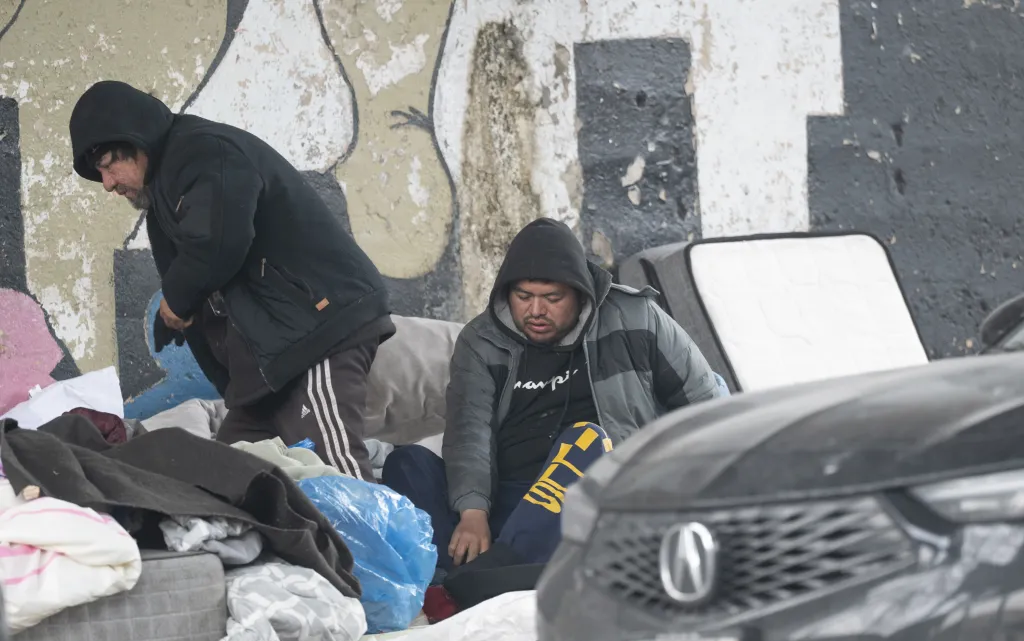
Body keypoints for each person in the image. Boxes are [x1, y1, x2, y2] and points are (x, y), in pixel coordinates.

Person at [68, 81, 394, 480]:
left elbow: (220, 240)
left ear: (134, 141)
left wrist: (176, 299)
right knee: (229, 480)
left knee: (339, 478)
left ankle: (372, 544)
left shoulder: (203, 152)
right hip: (269, 369)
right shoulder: (164, 197)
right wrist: (232, 383)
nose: (107, 184)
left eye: (108, 166)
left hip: (319, 337)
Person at [383, 218, 724, 573]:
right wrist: (473, 513)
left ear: (580, 292)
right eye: (523, 297)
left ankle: (496, 571)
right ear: (506, 292)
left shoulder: (636, 317)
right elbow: (470, 430)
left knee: (586, 439)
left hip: (592, 498)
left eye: (552, 298)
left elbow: (706, 406)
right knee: (406, 464)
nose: (536, 311)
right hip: (510, 497)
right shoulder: (481, 341)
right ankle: (452, 575)